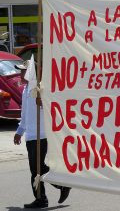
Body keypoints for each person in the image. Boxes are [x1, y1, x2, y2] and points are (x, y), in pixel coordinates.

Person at [13, 60, 71, 208]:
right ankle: (49, 193)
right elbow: (25, 114)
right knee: (36, 169)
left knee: (37, 169)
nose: (20, 74)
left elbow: (55, 108)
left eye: (24, 71)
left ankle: (49, 193)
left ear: (32, 72)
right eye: (20, 71)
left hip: (42, 134)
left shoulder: (42, 88)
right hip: (31, 135)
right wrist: (20, 131)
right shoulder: (26, 89)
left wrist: (43, 103)